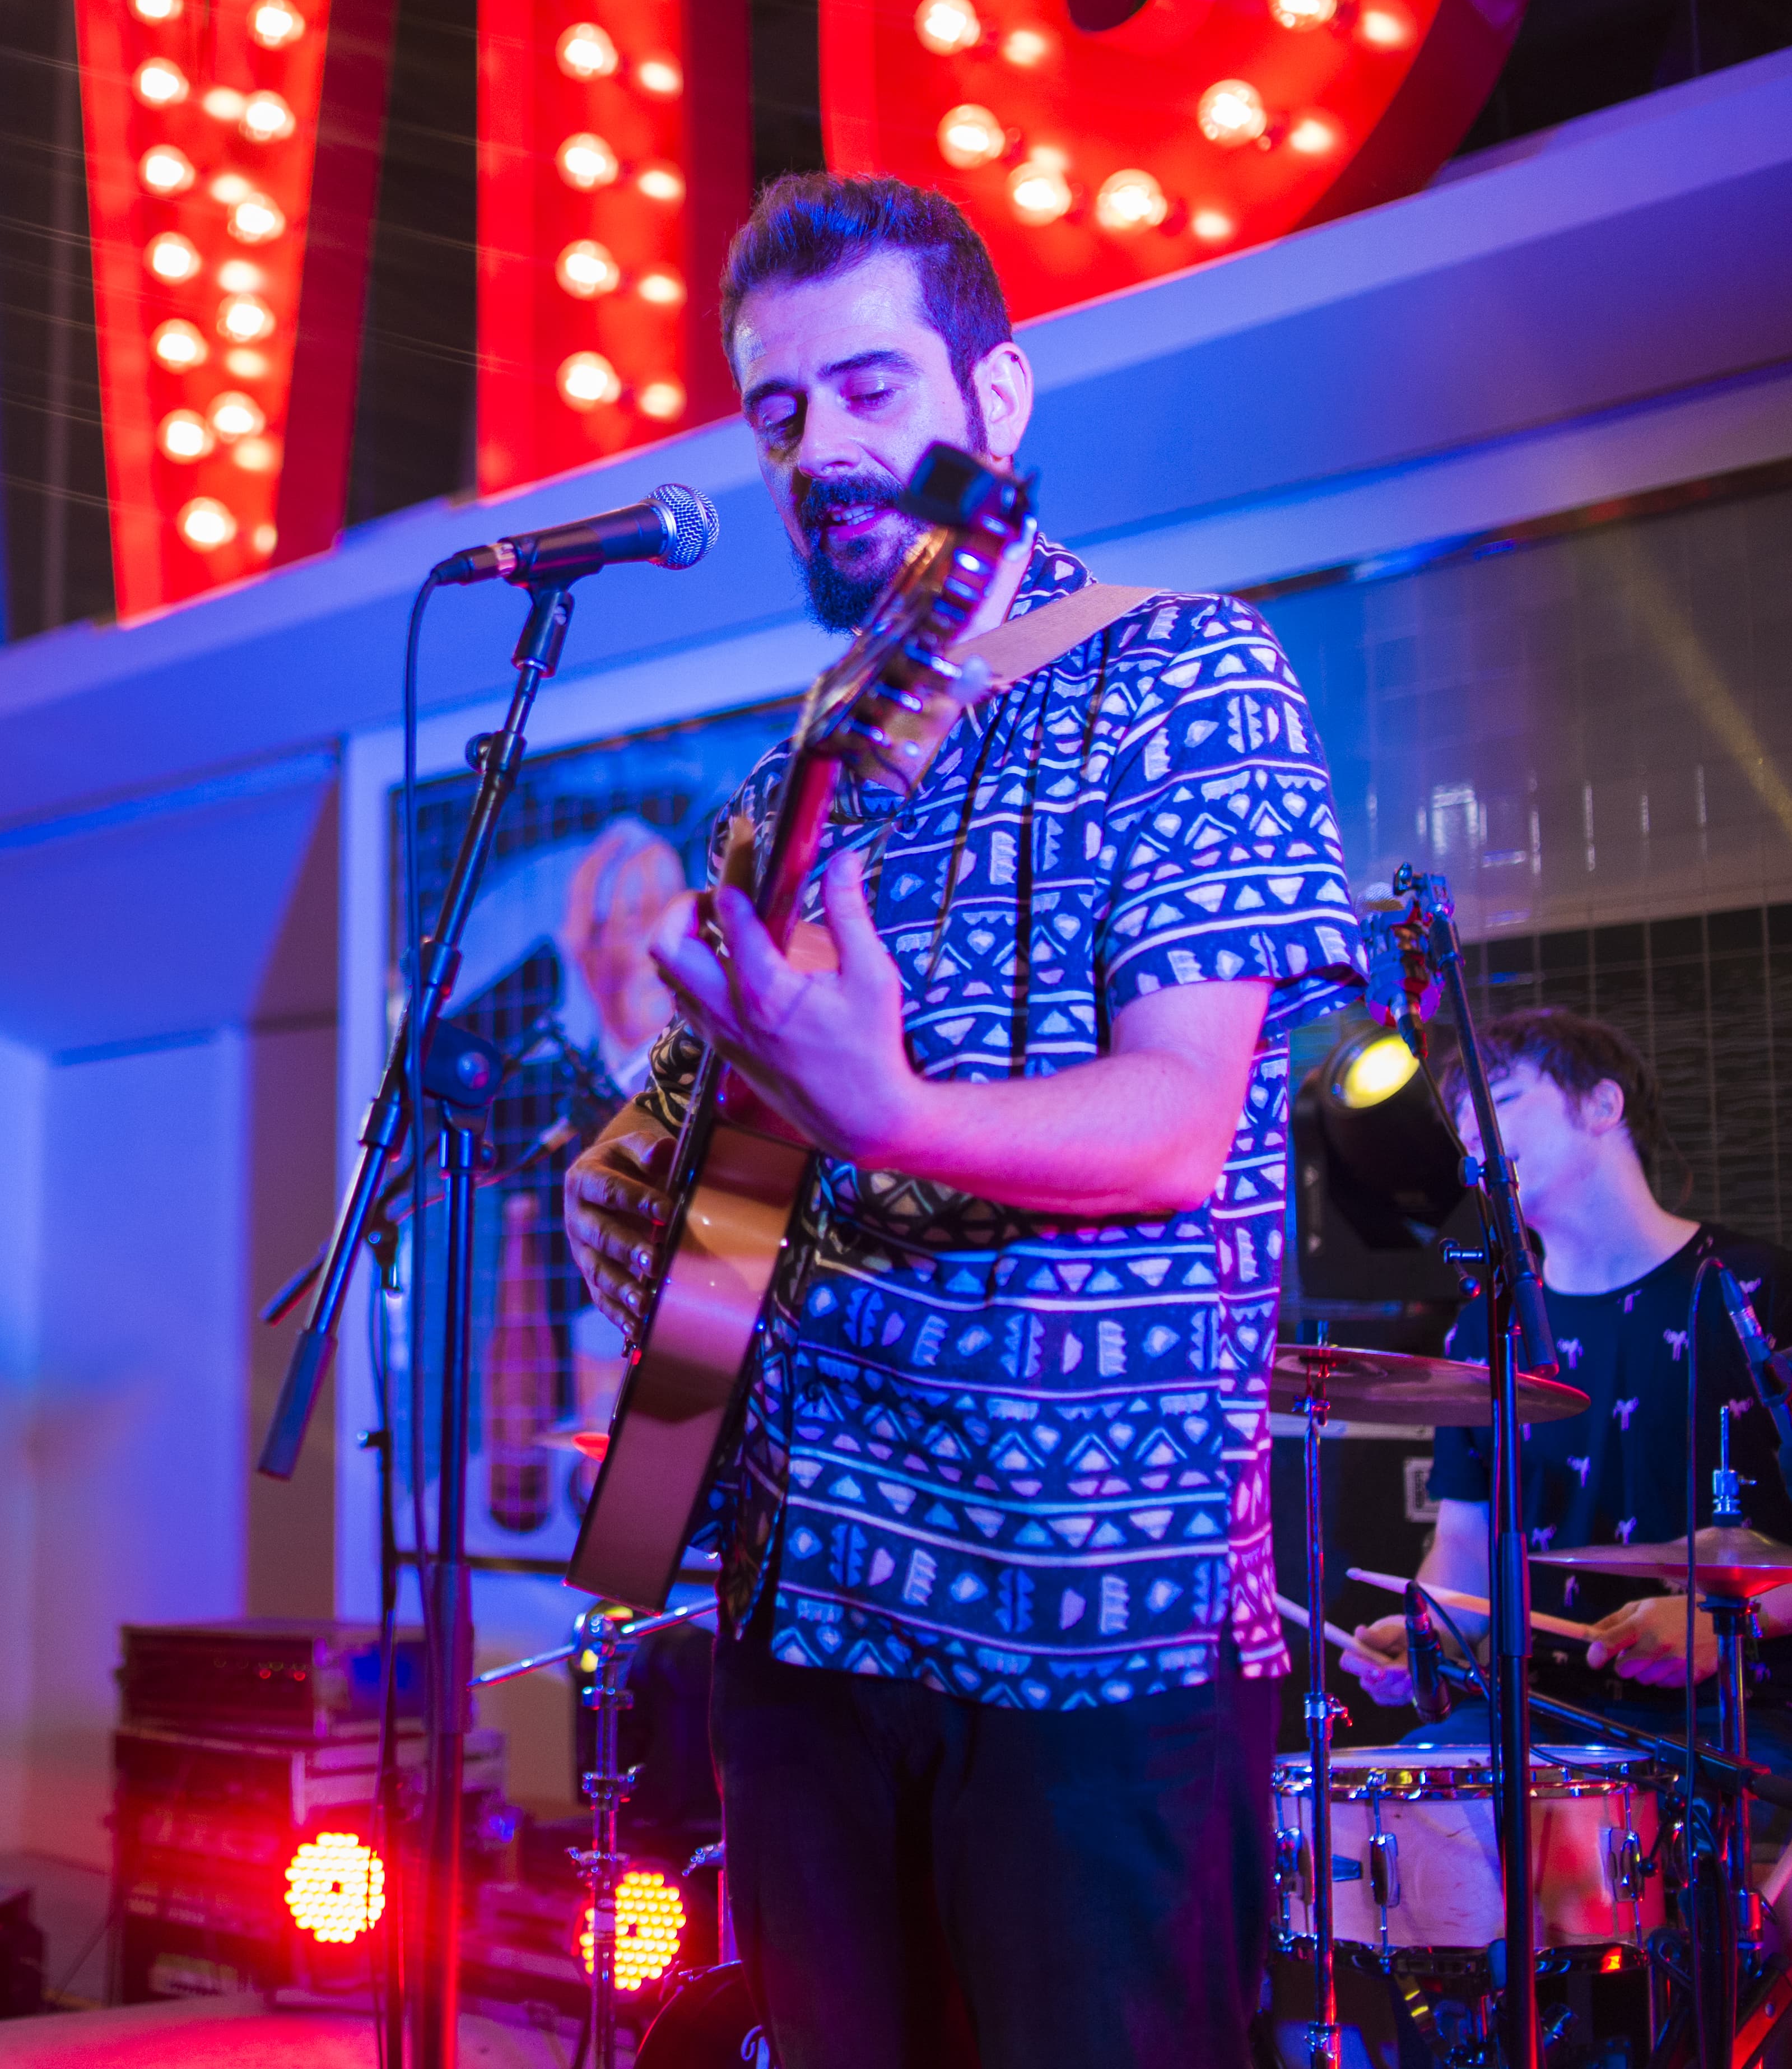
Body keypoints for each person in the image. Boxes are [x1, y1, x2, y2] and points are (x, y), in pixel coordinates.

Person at [562, 172, 1366, 2068]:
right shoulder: (785, 782)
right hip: (799, 1606)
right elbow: (726, 1181)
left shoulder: (1183, 670)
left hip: (1085, 1627)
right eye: (776, 413)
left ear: (995, 400)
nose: (818, 450)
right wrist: (625, 1186)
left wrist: (889, 1108)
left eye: (866, 389)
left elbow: (1175, 1124)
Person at [1345, 1008, 1792, 2069]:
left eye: (1501, 1100)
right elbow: (1467, 1559)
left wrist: (1727, 1617)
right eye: (1460, 1121)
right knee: (1376, 1890)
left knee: (1783, 1944)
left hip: (1741, 1716)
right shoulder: (1488, 1327)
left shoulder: (1765, 1294)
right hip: (1534, 1717)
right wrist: (1426, 1636)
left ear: (1603, 1105)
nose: (1473, 1137)